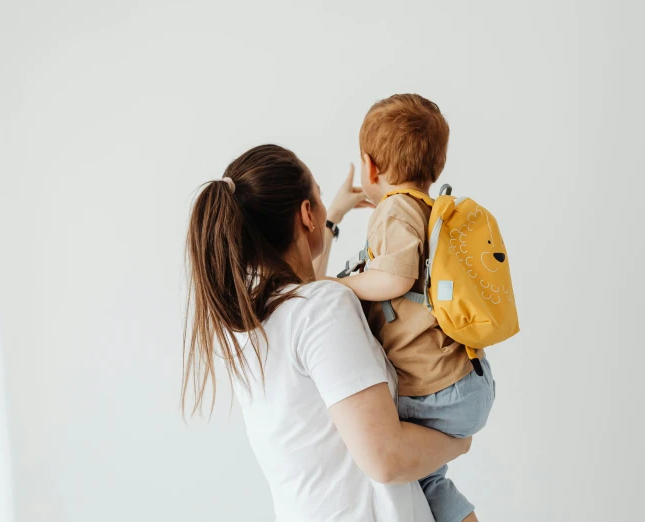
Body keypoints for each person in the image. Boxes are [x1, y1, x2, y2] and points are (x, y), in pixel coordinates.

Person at [183, 144, 474, 522]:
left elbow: (308, 288)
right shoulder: (320, 309)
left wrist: (333, 216)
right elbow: (386, 459)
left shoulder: (249, 322)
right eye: (317, 200)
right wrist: (459, 441)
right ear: (306, 214)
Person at [335, 94, 496, 522]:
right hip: (464, 380)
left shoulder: (392, 210)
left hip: (434, 388)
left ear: (370, 166)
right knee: (428, 484)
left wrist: (340, 285)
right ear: (435, 167)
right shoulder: (425, 209)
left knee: (369, 443)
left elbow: (398, 276)